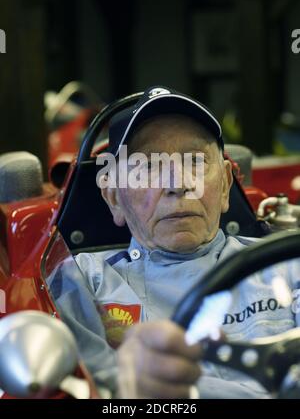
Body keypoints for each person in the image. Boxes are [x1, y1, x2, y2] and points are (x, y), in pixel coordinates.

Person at [48, 86, 300, 399]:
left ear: (224, 186)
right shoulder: (80, 282)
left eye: (195, 161)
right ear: (113, 198)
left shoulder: (286, 265)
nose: (178, 184)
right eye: (147, 167)